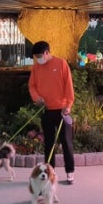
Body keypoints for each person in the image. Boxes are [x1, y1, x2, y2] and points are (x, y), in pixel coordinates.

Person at [28, 40, 75, 185]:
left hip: (61, 111)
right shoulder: (36, 68)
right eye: (36, 57)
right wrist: (37, 98)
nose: (38, 59)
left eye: (39, 56)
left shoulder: (61, 64)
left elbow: (68, 85)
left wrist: (68, 105)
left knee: (66, 143)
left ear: (47, 53)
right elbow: (32, 86)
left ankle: (70, 172)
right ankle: (49, 173)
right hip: (47, 110)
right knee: (48, 143)